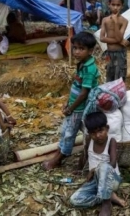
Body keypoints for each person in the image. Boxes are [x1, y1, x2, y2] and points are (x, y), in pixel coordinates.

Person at [42, 32, 100, 170]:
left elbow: (84, 93)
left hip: (79, 108)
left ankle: (59, 159)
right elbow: (76, 86)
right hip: (75, 106)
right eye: (75, 48)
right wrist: (68, 102)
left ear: (90, 51)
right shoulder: (82, 64)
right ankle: (61, 154)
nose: (77, 52)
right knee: (66, 131)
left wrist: (71, 108)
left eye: (81, 49)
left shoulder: (89, 69)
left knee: (69, 134)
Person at [70, 112, 126, 215]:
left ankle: (106, 204)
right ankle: (109, 196)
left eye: (101, 131)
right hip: (95, 181)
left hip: (111, 179)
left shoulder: (111, 141)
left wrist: (94, 170)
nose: (97, 135)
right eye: (93, 133)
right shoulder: (89, 140)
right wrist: (79, 168)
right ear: (89, 133)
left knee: (104, 166)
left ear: (107, 128)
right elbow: (85, 154)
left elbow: (112, 163)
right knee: (74, 200)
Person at [100, 0, 129, 82]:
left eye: (118, 5)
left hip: (120, 53)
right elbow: (102, 38)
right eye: (113, 4)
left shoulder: (124, 21)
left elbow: (119, 37)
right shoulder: (105, 20)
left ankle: (119, 95)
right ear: (109, 5)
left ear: (122, 6)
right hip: (109, 53)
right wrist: (119, 41)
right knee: (110, 75)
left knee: (120, 77)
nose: (115, 7)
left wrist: (115, 22)